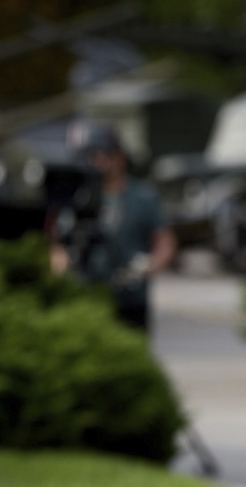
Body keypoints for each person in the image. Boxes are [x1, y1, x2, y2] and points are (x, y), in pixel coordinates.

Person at [50, 122, 176, 331]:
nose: (96, 162)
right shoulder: (78, 197)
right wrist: (61, 268)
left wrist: (148, 266)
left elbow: (165, 241)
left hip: (130, 300)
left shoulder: (143, 197)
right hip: (86, 296)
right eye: (90, 156)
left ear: (119, 156)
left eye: (101, 155)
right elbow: (59, 243)